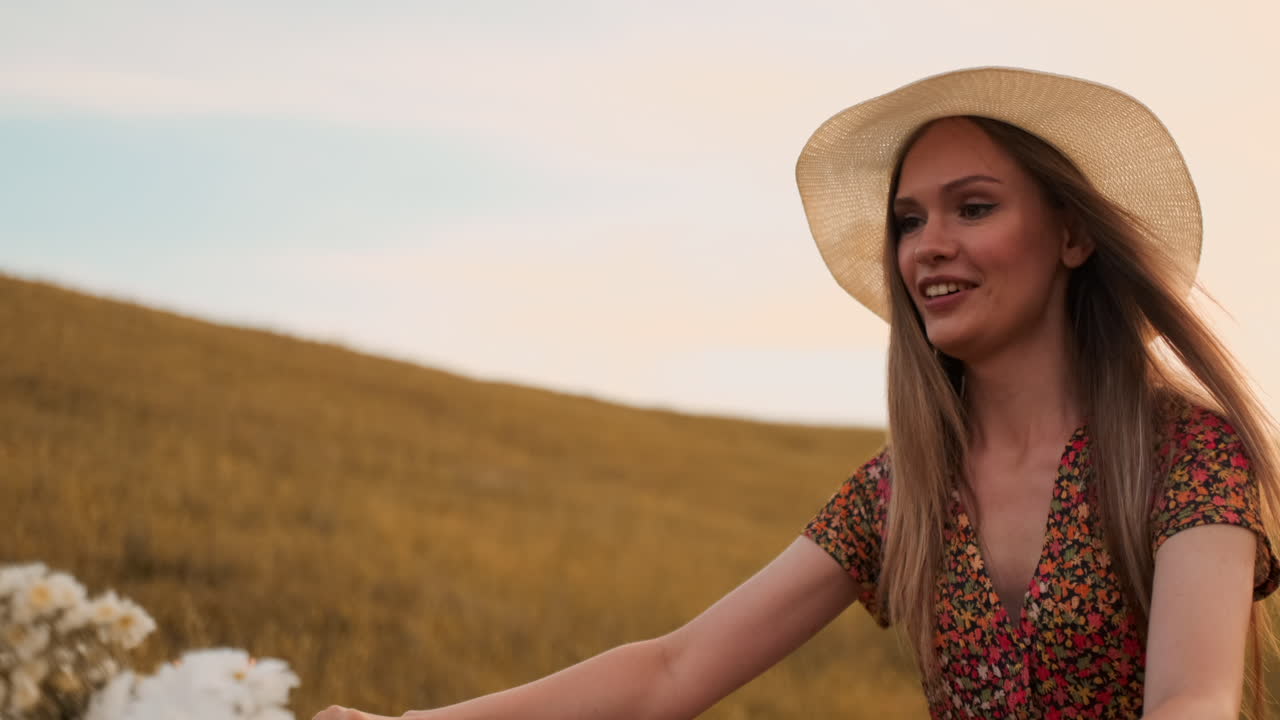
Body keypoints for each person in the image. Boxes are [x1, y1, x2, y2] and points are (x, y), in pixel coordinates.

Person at [314, 67, 1280, 720]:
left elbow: (1192, 707)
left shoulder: (1187, 457)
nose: (926, 245)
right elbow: (672, 671)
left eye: (973, 207)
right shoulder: (897, 494)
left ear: (1072, 236)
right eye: (908, 220)